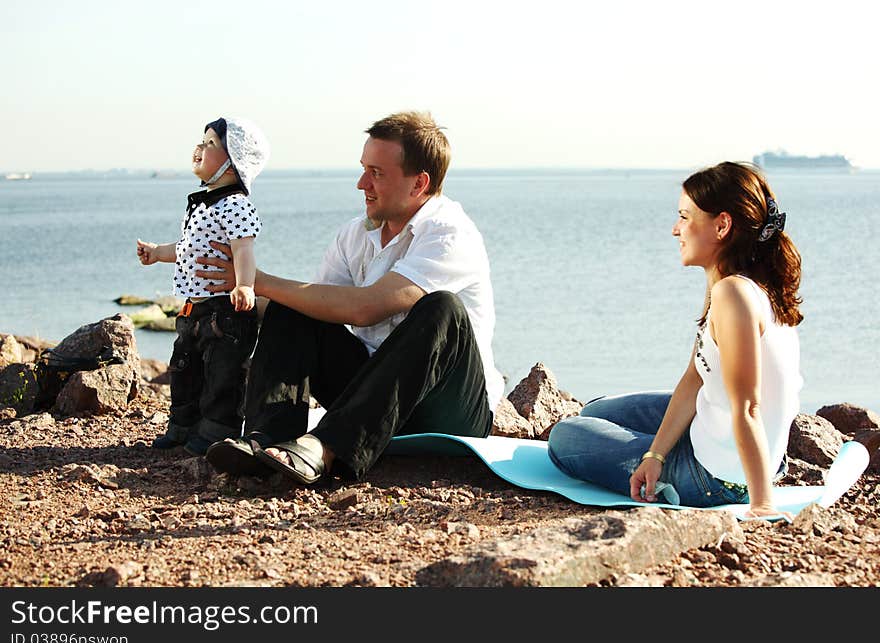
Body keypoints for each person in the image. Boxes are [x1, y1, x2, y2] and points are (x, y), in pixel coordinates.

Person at [199, 110, 504, 485]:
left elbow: (365, 308)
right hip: (373, 393)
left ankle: (324, 448)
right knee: (295, 305)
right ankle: (267, 438)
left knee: (443, 308)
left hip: (448, 406)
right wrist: (231, 288)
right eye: (364, 169)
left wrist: (258, 280)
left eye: (377, 173)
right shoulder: (355, 235)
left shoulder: (450, 233)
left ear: (419, 184)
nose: (362, 184)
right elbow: (317, 310)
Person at [548, 161, 803, 519]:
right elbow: (695, 376)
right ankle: (661, 456)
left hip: (717, 478)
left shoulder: (733, 295)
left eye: (685, 217)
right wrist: (655, 454)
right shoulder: (746, 284)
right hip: (725, 442)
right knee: (596, 410)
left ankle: (682, 482)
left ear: (722, 225)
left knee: (565, 436)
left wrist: (761, 504)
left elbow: (748, 406)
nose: (675, 229)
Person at [136, 116, 270, 456]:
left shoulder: (235, 204)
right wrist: (156, 253)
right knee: (184, 369)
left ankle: (214, 434)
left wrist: (244, 286)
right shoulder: (202, 204)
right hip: (193, 307)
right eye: (203, 141)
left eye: (211, 144)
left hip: (225, 311)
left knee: (220, 376)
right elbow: (185, 249)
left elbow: (243, 249)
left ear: (232, 162)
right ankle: (182, 427)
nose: (200, 148)